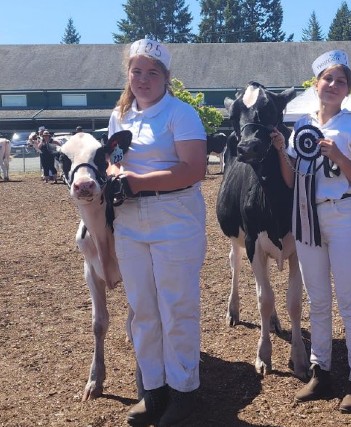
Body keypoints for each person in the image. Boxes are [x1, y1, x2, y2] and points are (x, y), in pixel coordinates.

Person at [107, 38, 207, 427]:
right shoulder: (120, 116)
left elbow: (193, 169)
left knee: (177, 308)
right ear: (128, 74)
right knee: (143, 309)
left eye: (152, 73)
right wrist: (116, 175)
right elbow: (114, 160)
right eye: (137, 72)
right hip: (130, 221)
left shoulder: (181, 114)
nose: (143, 80)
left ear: (166, 77)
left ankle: (184, 391)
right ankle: (153, 389)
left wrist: (137, 182)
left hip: (174, 218)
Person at [270, 49, 351, 414]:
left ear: (348, 89)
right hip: (306, 216)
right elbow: (292, 180)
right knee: (317, 300)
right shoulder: (302, 125)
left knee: (350, 301)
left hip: (343, 214)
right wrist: (282, 151)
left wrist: (339, 157)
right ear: (316, 84)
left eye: (340, 81)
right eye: (327, 79)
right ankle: (321, 371)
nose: (332, 85)